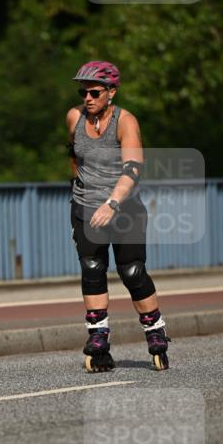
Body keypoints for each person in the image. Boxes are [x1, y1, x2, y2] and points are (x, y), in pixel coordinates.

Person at [65, 60, 170, 371]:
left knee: (132, 271)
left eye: (95, 92)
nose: (88, 98)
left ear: (111, 92)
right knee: (92, 267)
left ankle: (155, 330)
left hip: (124, 210)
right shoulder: (74, 117)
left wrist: (110, 203)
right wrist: (79, 190)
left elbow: (133, 169)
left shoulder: (126, 122)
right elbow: (73, 155)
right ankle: (98, 338)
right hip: (85, 208)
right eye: (83, 92)